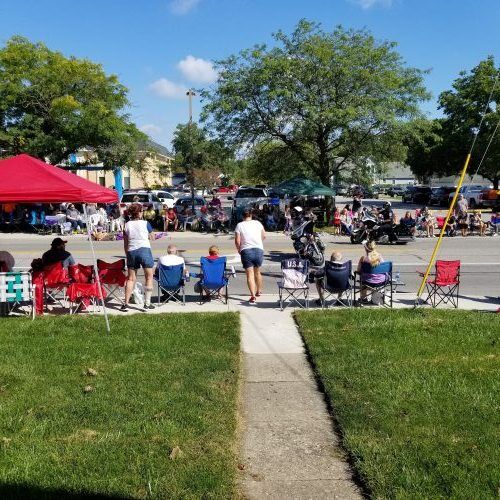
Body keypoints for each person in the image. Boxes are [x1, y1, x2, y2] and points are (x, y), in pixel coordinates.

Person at [122, 203, 155, 311]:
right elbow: (152, 237)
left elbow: (125, 243)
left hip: (132, 251)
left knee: (131, 279)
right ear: (140, 212)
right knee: (149, 276)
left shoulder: (126, 225)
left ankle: (125, 303)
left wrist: (127, 254)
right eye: (142, 211)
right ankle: (147, 303)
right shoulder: (146, 223)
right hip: (144, 249)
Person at [235, 209, 266, 304]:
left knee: (250, 274)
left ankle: (252, 295)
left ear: (242, 216)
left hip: (246, 250)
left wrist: (239, 249)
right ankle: (259, 291)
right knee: (257, 272)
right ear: (251, 215)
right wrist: (258, 242)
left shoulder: (239, 225)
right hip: (258, 249)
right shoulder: (258, 223)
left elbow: (237, 241)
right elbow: (264, 236)